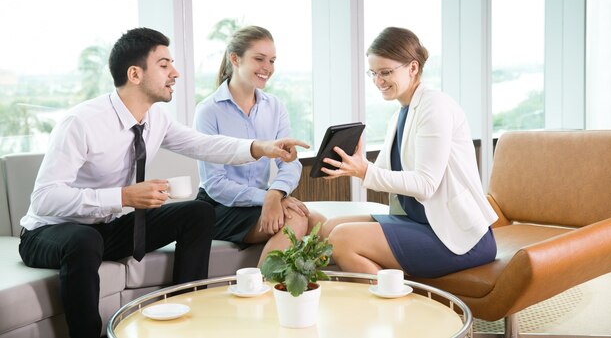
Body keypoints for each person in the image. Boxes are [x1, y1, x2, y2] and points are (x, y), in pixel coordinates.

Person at [18, 27, 308, 338]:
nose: (176, 73)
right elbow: (46, 199)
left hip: (105, 229)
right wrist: (124, 196)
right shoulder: (82, 122)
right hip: (48, 234)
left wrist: (259, 147)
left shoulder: (156, 119)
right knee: (84, 241)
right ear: (135, 74)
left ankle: (186, 312)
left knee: (197, 212)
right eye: (164, 65)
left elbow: (206, 145)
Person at [319, 27, 498, 278]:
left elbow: (425, 184)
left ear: (413, 68)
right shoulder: (400, 113)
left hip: (456, 235)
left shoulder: (434, 106)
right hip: (419, 222)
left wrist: (365, 171)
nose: (378, 81)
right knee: (329, 228)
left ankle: (395, 312)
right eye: (373, 73)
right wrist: (348, 166)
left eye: (386, 72)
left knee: (342, 238)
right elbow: (381, 174)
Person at [194, 25, 325, 265]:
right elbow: (215, 184)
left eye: (272, 60)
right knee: (295, 220)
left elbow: (290, 163)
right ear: (235, 59)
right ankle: (263, 294)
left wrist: (275, 194)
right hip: (217, 207)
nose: (268, 67)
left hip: (262, 198)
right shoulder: (208, 111)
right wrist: (266, 198)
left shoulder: (275, 107)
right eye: (259, 59)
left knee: (318, 222)